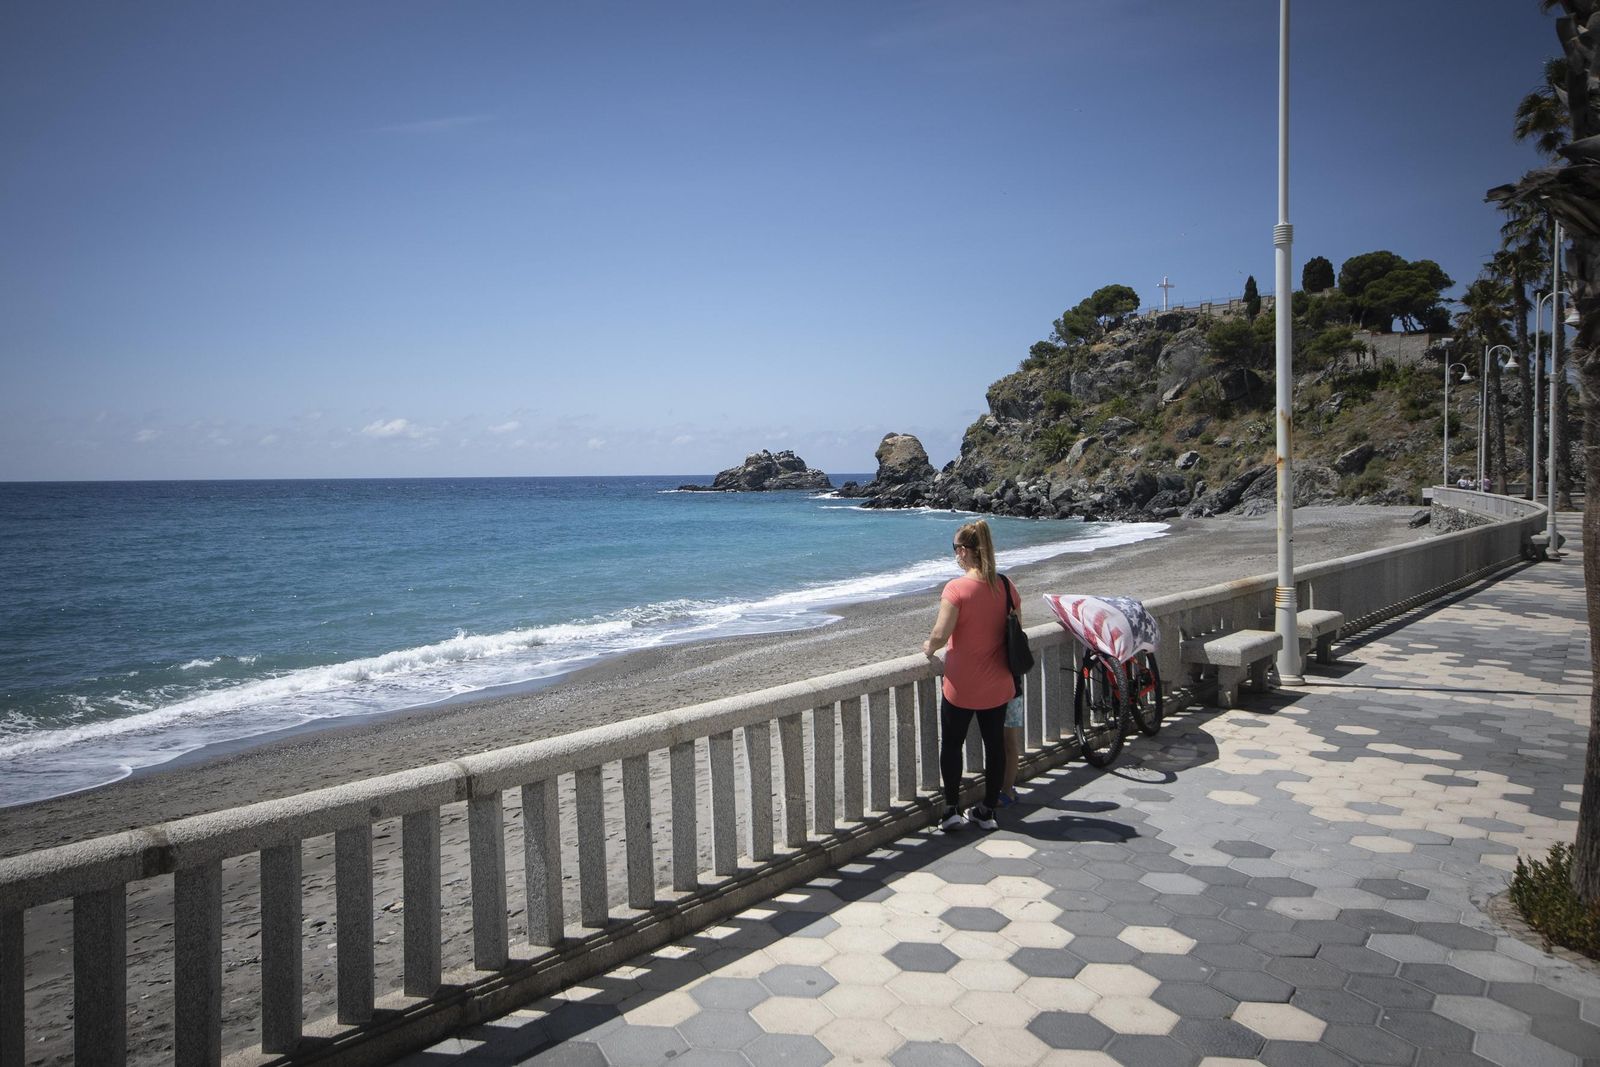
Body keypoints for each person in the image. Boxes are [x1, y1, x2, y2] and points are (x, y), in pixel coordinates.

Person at [922, 519, 1018, 831]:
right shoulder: (1005, 586)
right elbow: (1014, 629)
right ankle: (988, 810)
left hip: (961, 685)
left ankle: (951, 810)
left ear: (964, 551)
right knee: (995, 746)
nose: (955, 555)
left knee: (951, 744)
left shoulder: (957, 588)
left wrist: (929, 648)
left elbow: (940, 633)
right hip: (998, 682)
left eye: (955, 549)